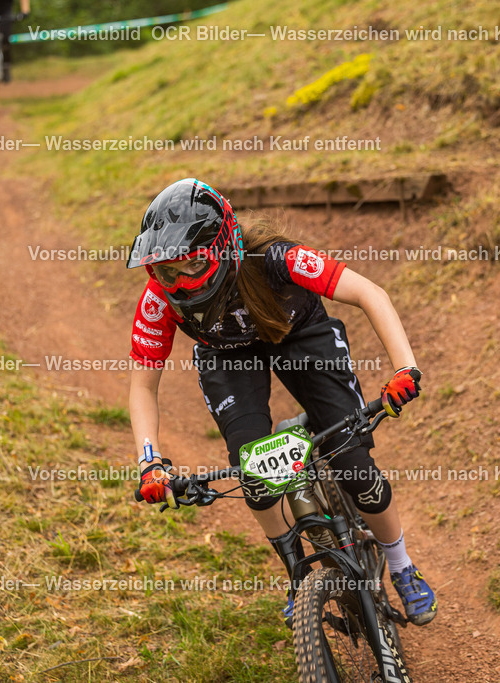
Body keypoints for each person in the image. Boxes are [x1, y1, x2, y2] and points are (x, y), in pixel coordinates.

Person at [127, 178, 438, 627]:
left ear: (225, 247)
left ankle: (402, 565)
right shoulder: (158, 300)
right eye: (165, 271)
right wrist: (150, 463)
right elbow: (143, 386)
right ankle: (297, 574)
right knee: (254, 472)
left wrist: (405, 369)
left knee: (354, 465)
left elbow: (370, 293)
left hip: (299, 333)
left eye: (193, 264)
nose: (180, 282)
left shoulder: (276, 258)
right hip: (227, 356)